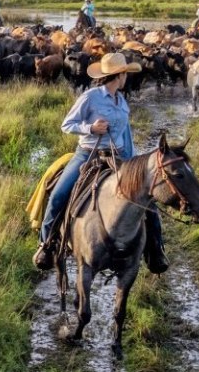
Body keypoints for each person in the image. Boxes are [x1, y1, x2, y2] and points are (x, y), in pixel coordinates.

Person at [34, 52, 167, 274]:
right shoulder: (90, 97)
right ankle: (45, 244)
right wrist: (91, 128)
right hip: (87, 154)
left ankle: (156, 250)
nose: (126, 78)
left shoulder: (121, 101)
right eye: (125, 74)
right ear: (119, 75)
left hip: (117, 157)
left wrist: (131, 161)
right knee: (59, 194)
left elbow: (126, 134)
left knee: (147, 201)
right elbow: (67, 124)